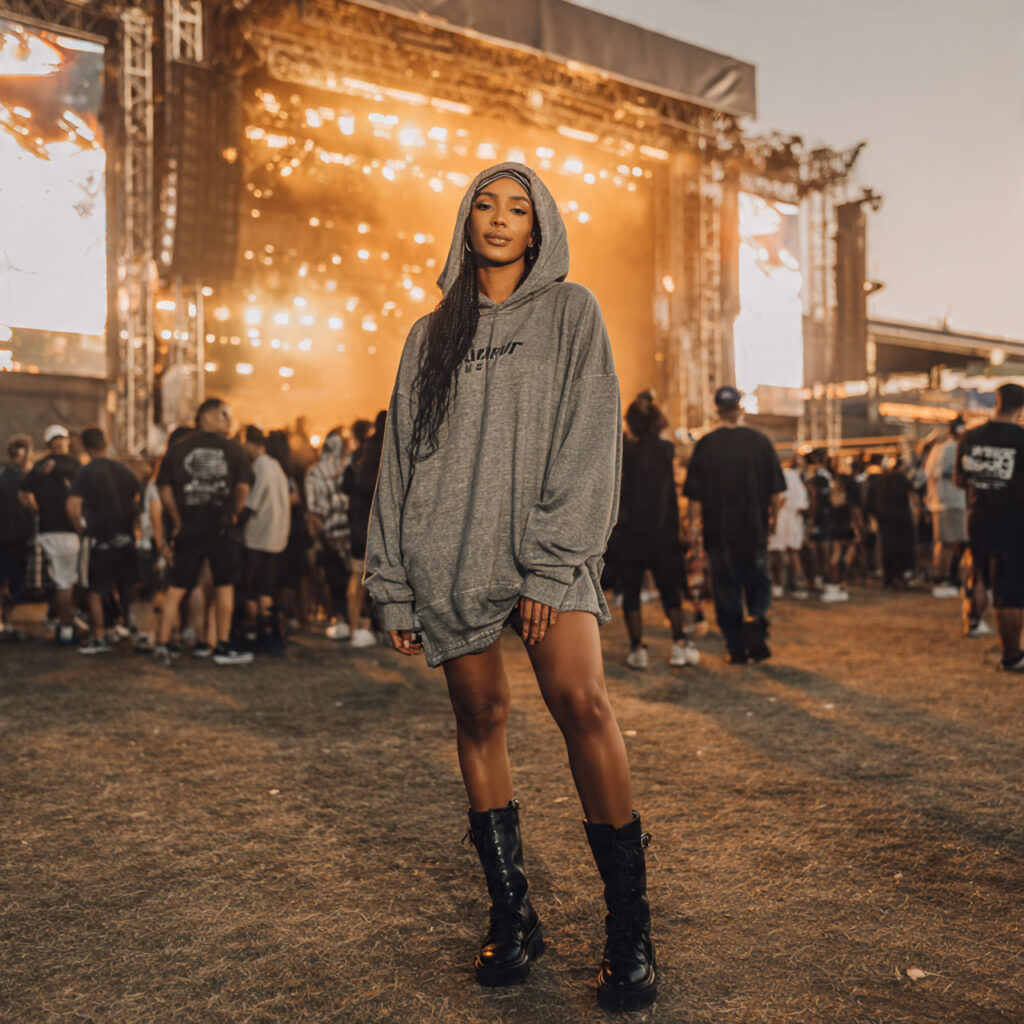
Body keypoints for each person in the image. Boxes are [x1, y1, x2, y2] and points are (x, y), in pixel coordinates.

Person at [364, 164, 656, 1010]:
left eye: (517, 208)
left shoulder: (572, 312)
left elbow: (591, 433)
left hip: (543, 552)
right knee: (480, 719)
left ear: (541, 228)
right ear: (465, 223)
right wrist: (392, 580)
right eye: (485, 205)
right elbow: (400, 462)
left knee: (583, 706)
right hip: (446, 550)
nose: (499, 218)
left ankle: (629, 929)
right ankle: (513, 914)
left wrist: (552, 556)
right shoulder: (430, 334)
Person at [683, 385, 785, 664]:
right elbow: (776, 490)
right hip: (753, 528)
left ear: (717, 410)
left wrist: (693, 527)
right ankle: (755, 620)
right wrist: (773, 518)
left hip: (720, 531)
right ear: (741, 408)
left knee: (726, 587)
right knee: (758, 581)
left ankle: (736, 647)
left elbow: (695, 495)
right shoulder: (760, 441)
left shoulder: (706, 445)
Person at [153, 398, 255, 666]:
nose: (229, 421)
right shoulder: (234, 450)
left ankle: (163, 643)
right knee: (224, 587)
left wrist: (177, 519)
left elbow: (163, 489)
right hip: (221, 527)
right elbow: (243, 488)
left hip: (189, 527)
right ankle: (221, 645)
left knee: (177, 588)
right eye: (224, 415)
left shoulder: (177, 449)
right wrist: (234, 513)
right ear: (207, 417)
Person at [614, 395, 699, 669]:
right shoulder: (665, 449)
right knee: (670, 591)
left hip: (630, 533)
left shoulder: (625, 450)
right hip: (662, 531)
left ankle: (637, 649)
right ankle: (680, 644)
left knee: (631, 592)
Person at [955, 383, 1024, 667]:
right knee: (1010, 589)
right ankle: (1011, 655)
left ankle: (972, 621)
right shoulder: (1022, 438)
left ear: (997, 400)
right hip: (1013, 519)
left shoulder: (971, 436)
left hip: (979, 515)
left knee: (979, 575)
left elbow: (960, 480)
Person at [65, 427, 141, 654]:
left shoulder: (86, 472)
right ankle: (121, 626)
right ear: (107, 442)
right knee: (125, 584)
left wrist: (81, 529)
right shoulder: (123, 470)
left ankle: (99, 636)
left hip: (97, 539)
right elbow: (137, 497)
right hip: (124, 538)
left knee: (94, 589)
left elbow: (72, 506)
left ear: (85, 446)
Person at [18, 424, 82, 644]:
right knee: (66, 582)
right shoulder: (75, 465)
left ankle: (60, 618)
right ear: (66, 440)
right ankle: (65, 629)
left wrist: (37, 510)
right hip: (68, 532)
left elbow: (23, 495)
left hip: (46, 531)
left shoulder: (37, 467)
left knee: (57, 580)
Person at [240, 426, 291, 653]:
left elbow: (252, 502)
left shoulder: (260, 465)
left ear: (251, 443)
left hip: (258, 537)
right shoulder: (276, 465)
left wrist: (235, 520)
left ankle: (260, 634)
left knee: (253, 588)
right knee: (266, 589)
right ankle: (272, 635)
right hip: (276, 537)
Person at [342, 413, 385, 648]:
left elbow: (345, 487)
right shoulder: (388, 453)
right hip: (376, 528)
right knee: (377, 581)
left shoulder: (361, 455)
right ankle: (378, 628)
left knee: (356, 579)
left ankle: (353, 629)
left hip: (357, 525)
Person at [305, 431, 352, 639]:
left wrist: (315, 536)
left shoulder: (315, 472)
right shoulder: (348, 468)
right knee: (353, 578)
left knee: (334, 580)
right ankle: (358, 622)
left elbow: (315, 510)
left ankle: (340, 620)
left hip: (329, 534)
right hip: (351, 532)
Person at [924, 416, 968, 598]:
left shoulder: (940, 448)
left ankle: (946, 577)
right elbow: (944, 472)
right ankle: (943, 579)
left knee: (948, 542)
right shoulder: (951, 448)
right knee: (947, 543)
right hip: (950, 502)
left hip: (946, 502)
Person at [0, 435, 35, 641]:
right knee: (15, 580)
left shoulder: (2, 472)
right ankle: (8, 622)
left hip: (4, 537)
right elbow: (30, 503)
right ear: (24, 455)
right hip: (16, 538)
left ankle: (3, 623)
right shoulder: (24, 477)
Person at [768, 453, 809, 599]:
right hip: (794, 518)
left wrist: (773, 516)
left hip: (784, 517)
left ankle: (778, 585)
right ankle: (799, 586)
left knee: (776, 551)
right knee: (793, 551)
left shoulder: (785, 475)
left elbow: (783, 497)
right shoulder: (797, 477)